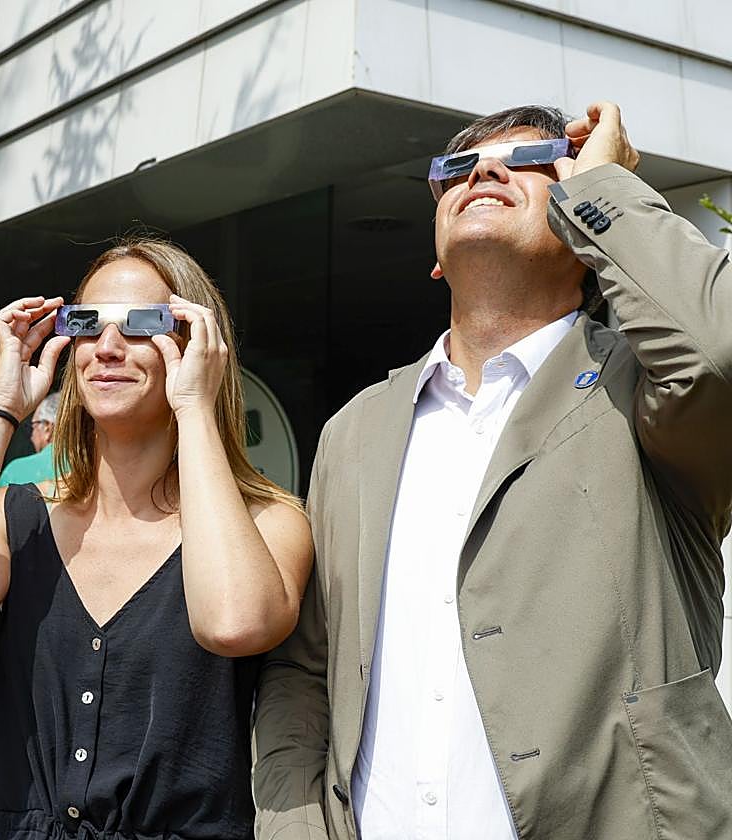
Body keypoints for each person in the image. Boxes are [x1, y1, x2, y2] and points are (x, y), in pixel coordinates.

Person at [253, 102, 732, 839]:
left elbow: (717, 353)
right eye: (456, 170)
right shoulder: (354, 431)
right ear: (438, 255)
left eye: (534, 160)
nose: (485, 170)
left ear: (581, 227)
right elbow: (305, 673)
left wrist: (603, 183)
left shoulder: (646, 392)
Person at [0, 239, 314, 839]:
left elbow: (235, 623)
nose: (108, 347)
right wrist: (2, 406)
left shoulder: (269, 521)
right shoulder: (20, 514)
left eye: (144, 325)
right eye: (86, 324)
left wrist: (194, 406)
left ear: (198, 345)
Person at [0, 390, 61, 486]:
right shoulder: (88, 466)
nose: (31, 436)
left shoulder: (15, 471)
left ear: (48, 429)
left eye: (34, 426)